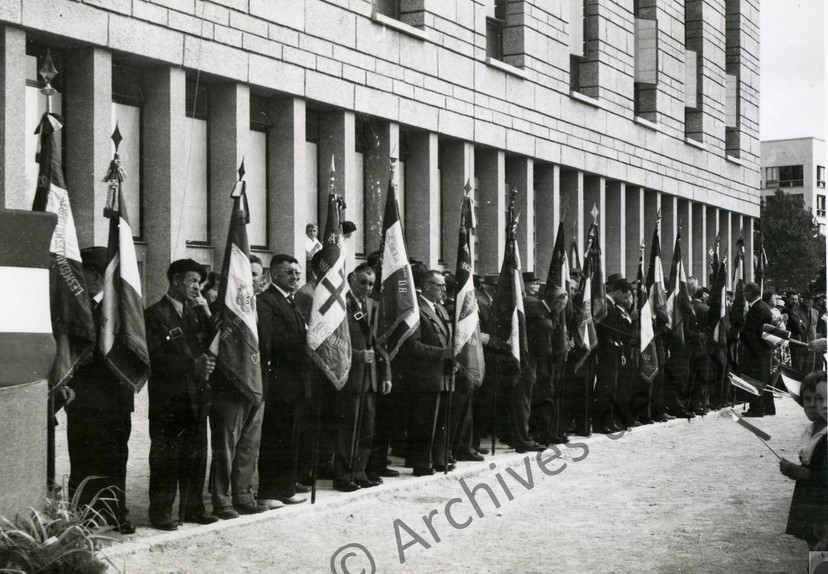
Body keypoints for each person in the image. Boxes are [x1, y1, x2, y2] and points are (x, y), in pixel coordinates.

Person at [65, 247, 136, 534]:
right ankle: (83, 516)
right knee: (83, 458)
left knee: (116, 457)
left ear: (95, 275)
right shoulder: (75, 308)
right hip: (84, 398)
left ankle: (115, 511)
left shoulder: (124, 311)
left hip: (117, 398)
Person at [144, 259, 218, 530]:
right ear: (175, 281)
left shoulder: (198, 312)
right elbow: (153, 358)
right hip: (169, 399)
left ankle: (193, 508)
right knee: (166, 457)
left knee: (197, 455)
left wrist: (208, 313)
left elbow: (216, 342)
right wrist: (192, 365)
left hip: (197, 397)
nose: (196, 287)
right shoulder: (154, 315)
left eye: (199, 282)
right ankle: (161, 512)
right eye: (191, 281)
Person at [207, 254, 269, 520]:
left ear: (260, 279)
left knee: (249, 446)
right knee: (226, 446)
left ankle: (243, 496)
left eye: (254, 275)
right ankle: (221, 500)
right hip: (229, 387)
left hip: (257, 384)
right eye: (245, 275)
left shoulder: (262, 307)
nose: (249, 280)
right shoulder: (225, 309)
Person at [332, 264, 391, 491]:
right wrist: (357, 355)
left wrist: (385, 374)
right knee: (348, 429)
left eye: (370, 284)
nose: (367, 287)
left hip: (371, 377)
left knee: (366, 429)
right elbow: (333, 342)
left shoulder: (371, 306)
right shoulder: (339, 304)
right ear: (351, 279)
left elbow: (379, 344)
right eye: (363, 282)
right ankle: (343, 476)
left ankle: (359, 471)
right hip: (351, 375)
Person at [257, 254, 309, 506]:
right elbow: (272, 340)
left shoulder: (290, 301)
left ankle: (286, 487)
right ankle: (269, 491)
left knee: (291, 435)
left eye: (298, 274)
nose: (295, 277)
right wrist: (307, 342)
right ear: (273, 274)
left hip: (295, 381)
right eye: (290, 273)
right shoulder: (266, 301)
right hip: (279, 380)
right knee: (276, 436)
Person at [395, 270, 455, 476]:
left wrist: (452, 359)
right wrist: (443, 354)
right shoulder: (416, 310)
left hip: (442, 374)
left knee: (440, 422)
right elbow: (413, 346)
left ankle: (438, 458)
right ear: (427, 286)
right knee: (424, 422)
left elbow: (446, 338)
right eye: (440, 286)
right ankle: (421, 462)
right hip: (424, 375)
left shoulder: (441, 309)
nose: (444, 290)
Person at [780, 371, 827, 550]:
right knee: (813, 542)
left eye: (819, 399)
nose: (813, 405)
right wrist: (792, 470)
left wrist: (799, 471)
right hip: (807, 497)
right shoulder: (810, 430)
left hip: (823, 500)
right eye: (807, 399)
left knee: (822, 547)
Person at [740, 282, 774, 417]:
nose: (744, 295)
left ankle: (757, 408)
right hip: (762, 350)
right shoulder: (763, 306)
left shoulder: (758, 308)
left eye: (746, 293)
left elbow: (754, 332)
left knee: (756, 379)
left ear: (753, 293)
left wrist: (744, 341)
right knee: (764, 378)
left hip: (756, 351)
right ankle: (767, 408)